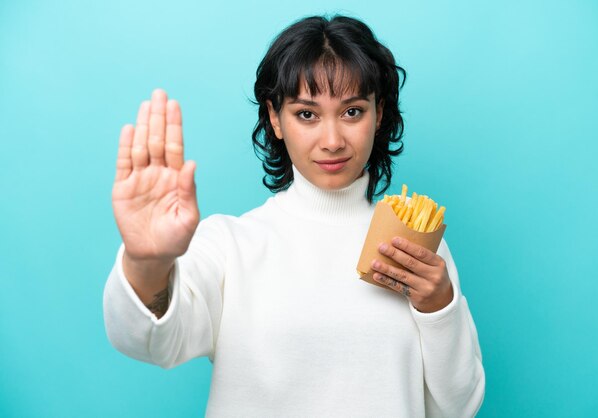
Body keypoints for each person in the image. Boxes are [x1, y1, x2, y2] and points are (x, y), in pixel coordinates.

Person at [103, 15, 485, 418]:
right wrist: (146, 262)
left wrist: (440, 307)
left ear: (379, 112)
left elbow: (458, 407)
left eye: (353, 112)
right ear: (274, 118)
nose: (333, 140)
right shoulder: (231, 245)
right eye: (307, 114)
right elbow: (146, 341)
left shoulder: (419, 244)